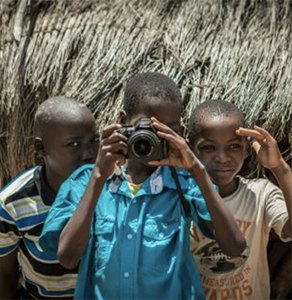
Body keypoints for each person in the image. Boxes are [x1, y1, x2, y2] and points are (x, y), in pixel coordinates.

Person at [39, 73, 246, 300]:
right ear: (124, 121)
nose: (157, 139)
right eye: (149, 129)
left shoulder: (184, 182)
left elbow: (235, 247)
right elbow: (67, 257)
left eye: (169, 130)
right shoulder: (86, 181)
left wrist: (196, 169)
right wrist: (99, 176)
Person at [0, 96, 98, 300]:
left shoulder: (108, 190)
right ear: (41, 149)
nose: (89, 153)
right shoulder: (14, 202)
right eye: (74, 144)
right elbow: (6, 270)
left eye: (93, 140)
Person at [189, 99, 292, 300]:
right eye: (209, 148)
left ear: (246, 149)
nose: (222, 157)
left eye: (234, 146)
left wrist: (280, 167)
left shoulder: (260, 194)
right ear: (191, 149)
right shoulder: (180, 199)